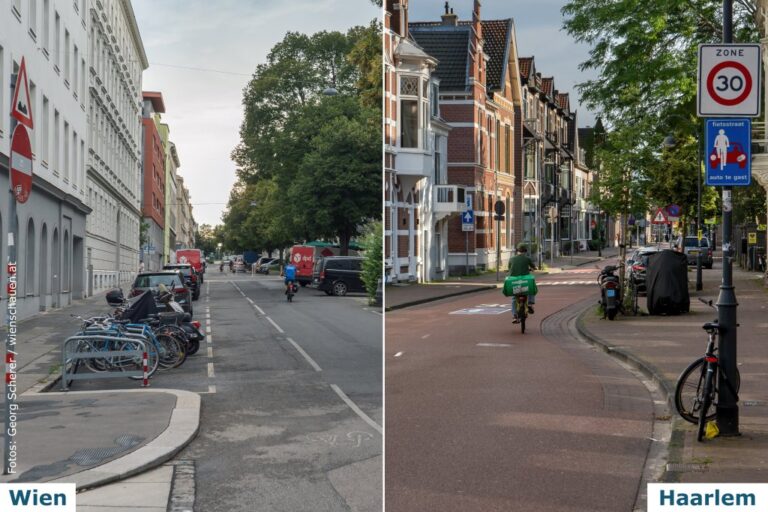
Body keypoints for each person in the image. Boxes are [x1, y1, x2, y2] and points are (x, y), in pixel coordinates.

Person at [508, 243, 537, 318]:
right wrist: (533, 268)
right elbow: (533, 267)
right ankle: (530, 303)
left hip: (514, 281)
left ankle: (514, 314)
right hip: (525, 281)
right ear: (525, 251)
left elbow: (509, 268)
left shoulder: (512, 259)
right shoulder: (527, 259)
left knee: (514, 298)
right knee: (531, 288)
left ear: (517, 251)